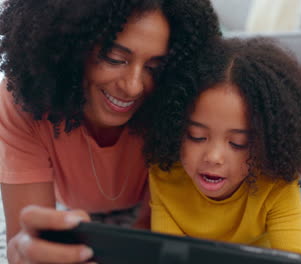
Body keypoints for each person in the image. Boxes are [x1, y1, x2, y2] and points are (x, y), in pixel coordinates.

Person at [0, 0, 220, 263]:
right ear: (69, 48)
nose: (133, 87)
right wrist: (26, 253)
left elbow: (164, 233)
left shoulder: (180, 103)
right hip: (71, 209)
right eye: (115, 59)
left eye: (154, 67)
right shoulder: (22, 103)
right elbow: (26, 238)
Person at [143, 38, 301, 264]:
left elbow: (298, 259)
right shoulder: (164, 173)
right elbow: (170, 255)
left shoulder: (277, 186)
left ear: (269, 143)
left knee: (297, 187)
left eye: (238, 143)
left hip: (266, 185)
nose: (213, 157)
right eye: (196, 137)